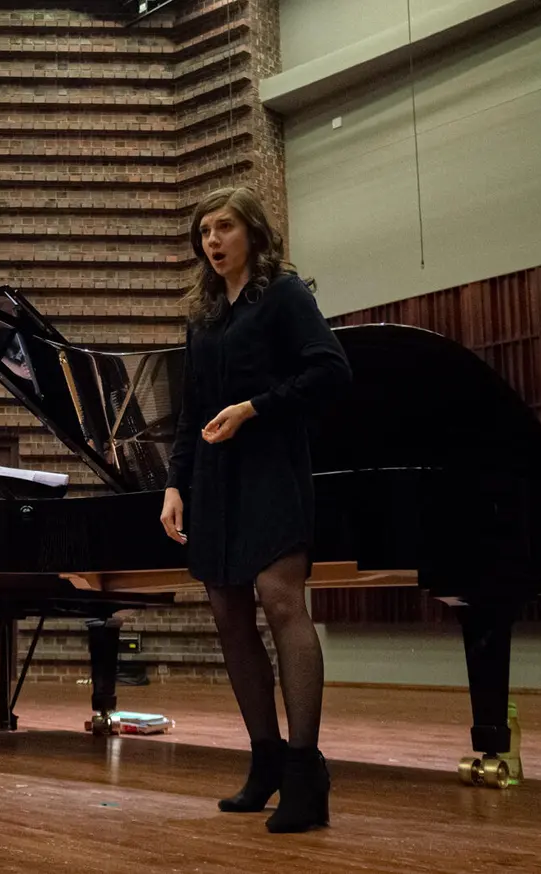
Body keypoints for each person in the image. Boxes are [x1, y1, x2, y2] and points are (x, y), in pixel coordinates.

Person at [159, 186, 351, 833]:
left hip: (272, 468)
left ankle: (305, 770)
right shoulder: (204, 317)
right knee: (228, 614)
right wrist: (174, 484)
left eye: (224, 227)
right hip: (214, 480)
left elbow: (331, 371)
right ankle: (264, 759)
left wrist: (254, 408)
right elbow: (190, 412)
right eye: (204, 232)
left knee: (280, 598)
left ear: (253, 234)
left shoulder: (284, 296)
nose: (213, 241)